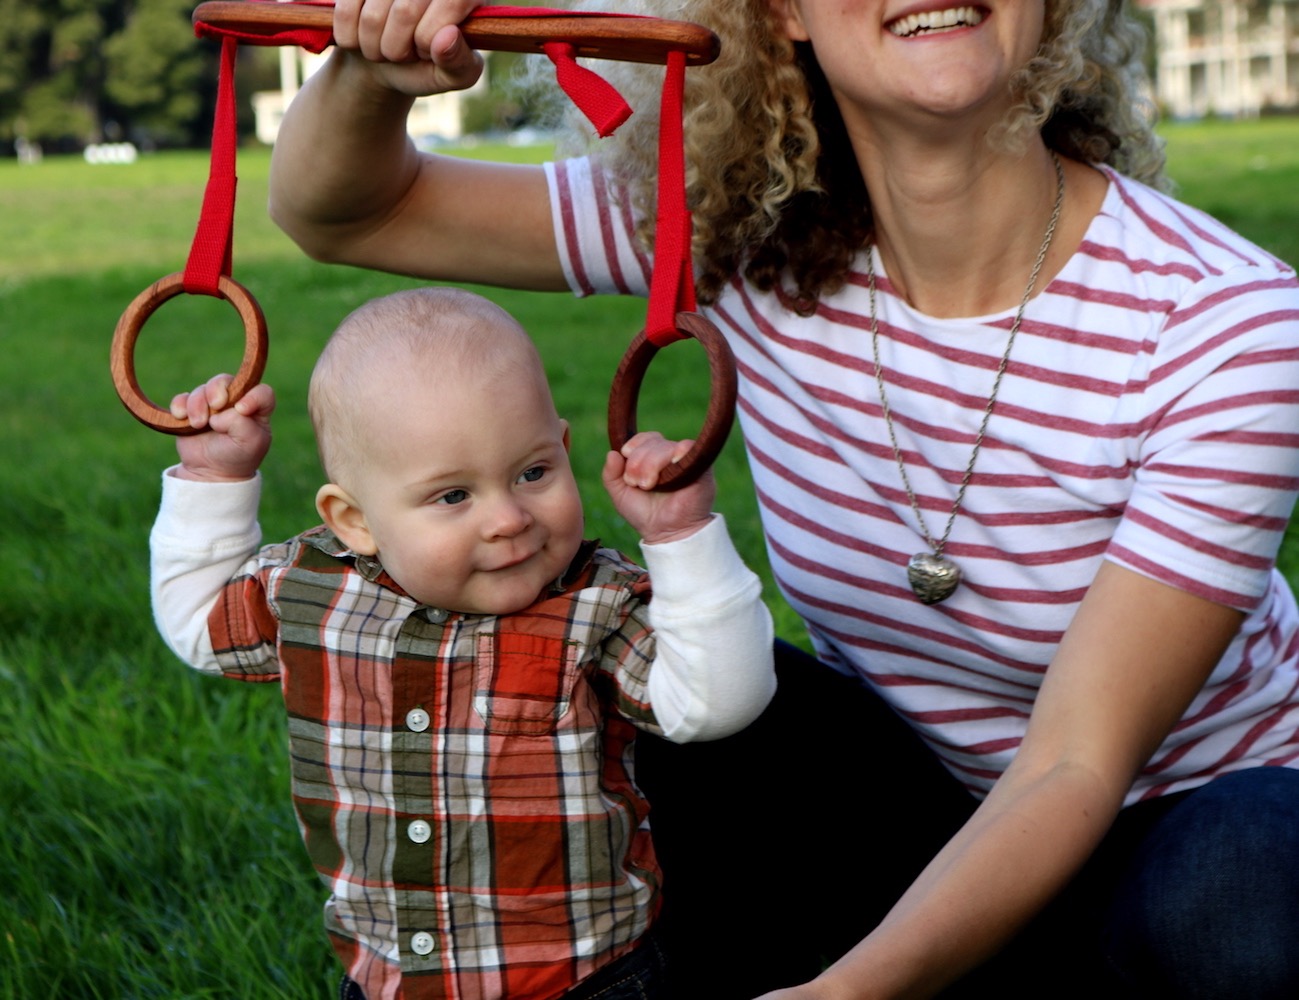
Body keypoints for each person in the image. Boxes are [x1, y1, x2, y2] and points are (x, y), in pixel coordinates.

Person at [264, 0, 1299, 996]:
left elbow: (1078, 759)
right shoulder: (731, 231)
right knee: (684, 701)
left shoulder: (1229, 324)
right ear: (784, 13)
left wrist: (847, 993)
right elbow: (350, 209)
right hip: (904, 811)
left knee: (1246, 889)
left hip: (1177, 824)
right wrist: (368, 71)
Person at [149, 286, 776, 1000]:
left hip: (587, 980)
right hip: (389, 978)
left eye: (533, 472)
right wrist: (211, 475)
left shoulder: (592, 604)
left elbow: (717, 703)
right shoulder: (312, 588)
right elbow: (202, 627)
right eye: (453, 496)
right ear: (354, 520)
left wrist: (680, 535)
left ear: (564, 449)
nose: (507, 518)